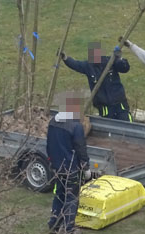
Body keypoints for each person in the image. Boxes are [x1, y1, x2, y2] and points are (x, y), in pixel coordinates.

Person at [46, 92, 91, 234]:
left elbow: (49, 144)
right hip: (70, 168)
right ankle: (68, 229)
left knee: (59, 194)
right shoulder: (75, 126)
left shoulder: (53, 122)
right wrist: (86, 167)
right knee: (71, 198)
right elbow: (80, 148)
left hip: (56, 166)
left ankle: (54, 224)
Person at [61, 42, 132, 121]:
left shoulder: (110, 61)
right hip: (104, 106)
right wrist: (65, 58)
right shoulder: (88, 66)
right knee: (109, 128)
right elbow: (75, 64)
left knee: (128, 124)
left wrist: (119, 58)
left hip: (120, 103)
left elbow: (125, 68)